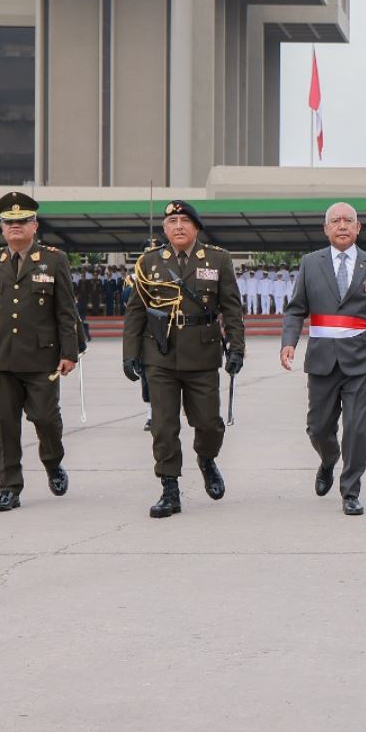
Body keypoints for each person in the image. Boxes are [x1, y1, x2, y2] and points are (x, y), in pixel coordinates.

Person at [281, 202, 366, 516]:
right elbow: (296, 308)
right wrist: (289, 342)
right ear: (325, 229)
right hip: (322, 360)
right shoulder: (310, 263)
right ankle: (328, 459)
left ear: (358, 227)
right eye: (335, 221)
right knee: (318, 428)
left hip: (360, 360)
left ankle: (351, 490)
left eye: (348, 221)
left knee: (356, 428)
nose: (341, 226)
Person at [122, 201, 245, 518]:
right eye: (172, 221)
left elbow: (231, 308)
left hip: (203, 354)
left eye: (185, 220)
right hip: (159, 355)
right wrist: (130, 354)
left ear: (196, 227)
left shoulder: (217, 259)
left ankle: (206, 459)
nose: (178, 226)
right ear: (164, 228)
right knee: (163, 426)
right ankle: (169, 489)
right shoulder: (149, 262)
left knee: (209, 424)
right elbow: (136, 311)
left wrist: (236, 349)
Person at [0, 192, 81, 513]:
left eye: (22, 221)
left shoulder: (54, 260)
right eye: (9, 222)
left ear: (35, 225)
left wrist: (69, 352)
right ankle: (8, 488)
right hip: (0, 357)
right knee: (2, 426)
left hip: (42, 358)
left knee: (45, 419)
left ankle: (53, 462)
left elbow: (66, 312)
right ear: (2, 228)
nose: (16, 227)